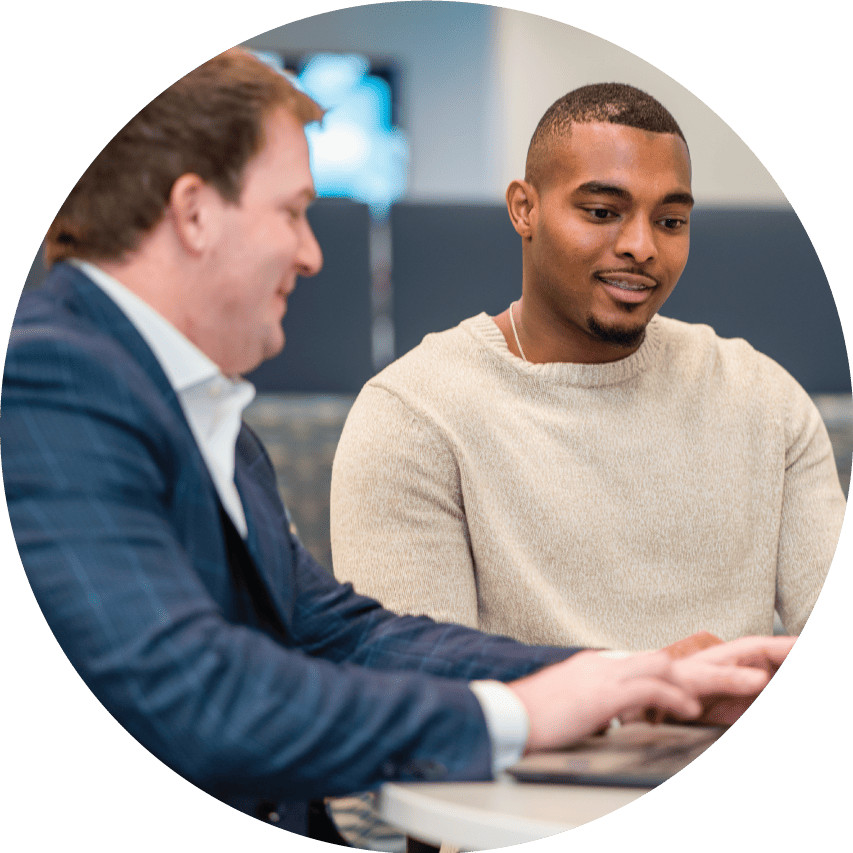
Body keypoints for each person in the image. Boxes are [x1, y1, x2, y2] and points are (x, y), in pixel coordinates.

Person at [1, 52, 794, 845]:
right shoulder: (54, 379)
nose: (312, 253)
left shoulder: (207, 419)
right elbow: (194, 693)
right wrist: (514, 713)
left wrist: (621, 677)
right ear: (195, 212)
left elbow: (345, 635)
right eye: (293, 211)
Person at [330, 83, 846, 652]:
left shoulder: (763, 399)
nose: (641, 246)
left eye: (671, 222)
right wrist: (647, 688)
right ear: (524, 209)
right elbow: (424, 697)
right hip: (538, 744)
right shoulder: (415, 414)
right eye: (602, 212)